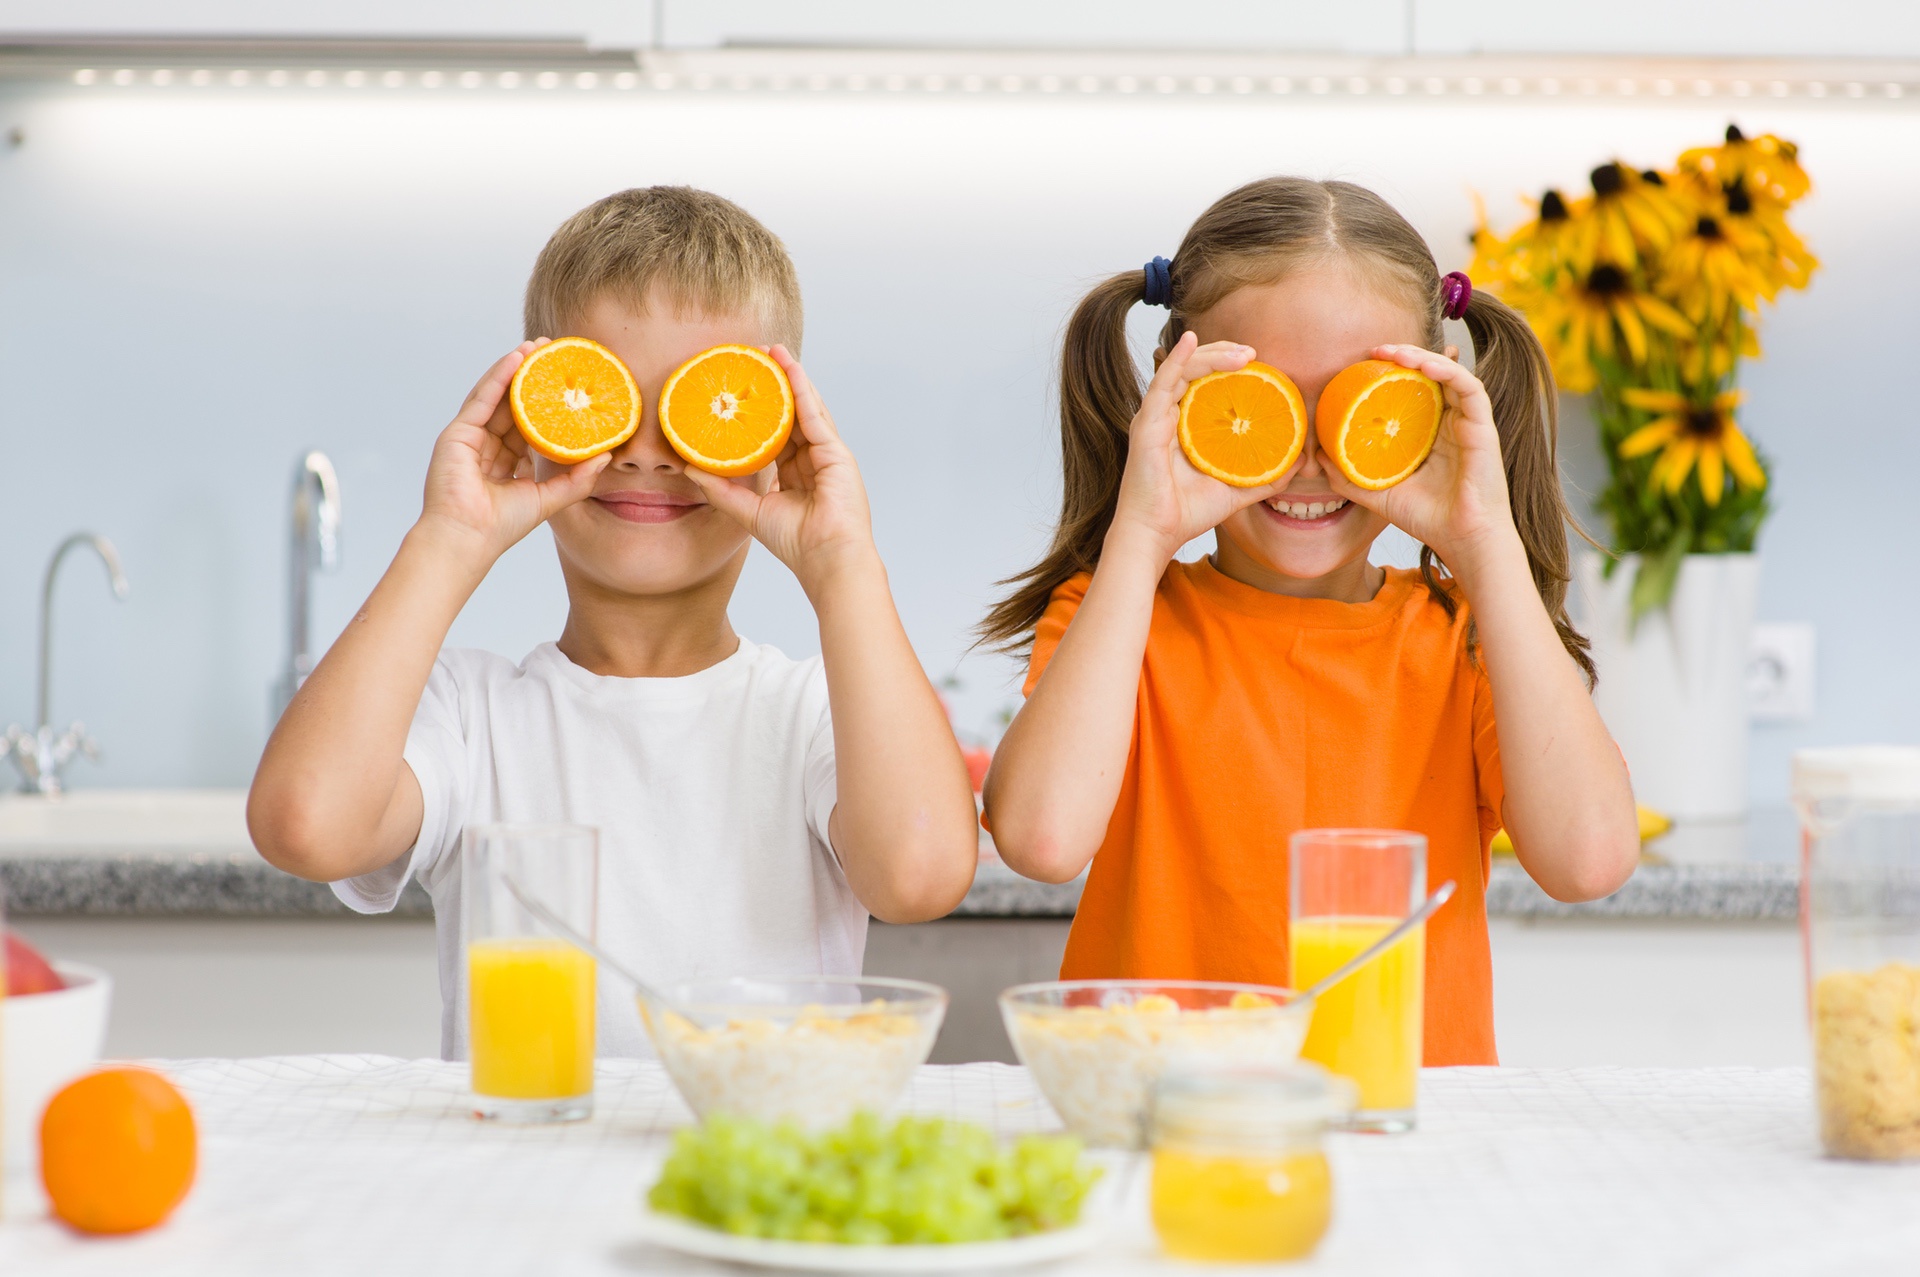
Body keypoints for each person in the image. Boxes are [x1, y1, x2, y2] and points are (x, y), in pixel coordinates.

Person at [249, 186, 979, 1058]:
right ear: (534, 417)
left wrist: (843, 563)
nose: (644, 449)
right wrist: (449, 540)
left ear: (774, 433)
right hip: (523, 1179)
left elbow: (921, 872)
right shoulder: (472, 714)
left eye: (701, 405)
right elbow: (306, 823)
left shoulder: (820, 715)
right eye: (604, 401)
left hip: (746, 1173)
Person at [980, 177, 1638, 1064]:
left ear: (1426, 413)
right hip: (1168, 1115)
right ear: (1182, 398)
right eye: (1262, 406)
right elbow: (1042, 838)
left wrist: (1488, 547)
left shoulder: (1466, 638)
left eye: (1355, 405)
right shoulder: (1123, 621)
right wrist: (1140, 529)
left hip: (1404, 1128)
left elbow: (1588, 860)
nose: (1308, 462)